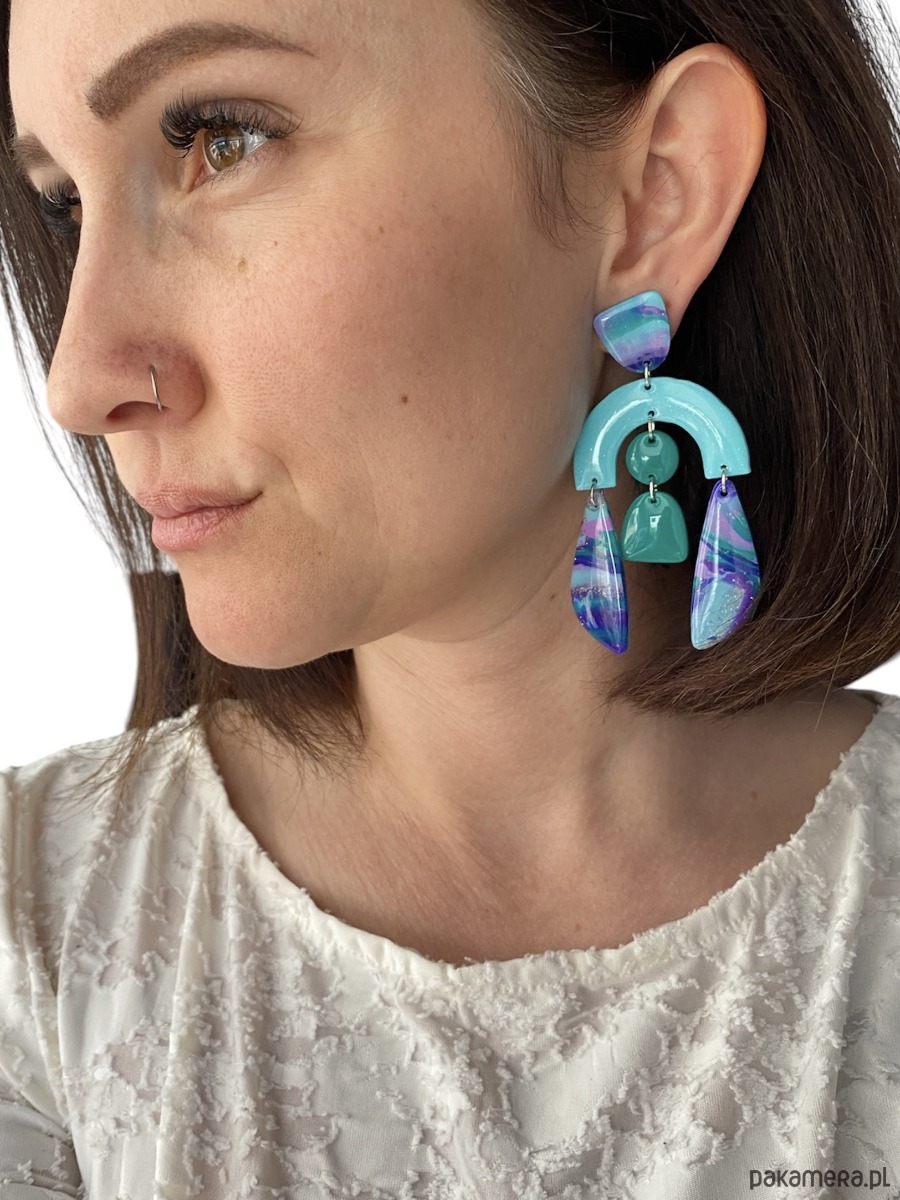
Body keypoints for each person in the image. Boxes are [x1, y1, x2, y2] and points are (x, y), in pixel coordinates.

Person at [1, 0, 899, 1194]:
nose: (78, 380)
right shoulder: (32, 943)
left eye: (222, 138)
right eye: (65, 204)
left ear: (658, 195)